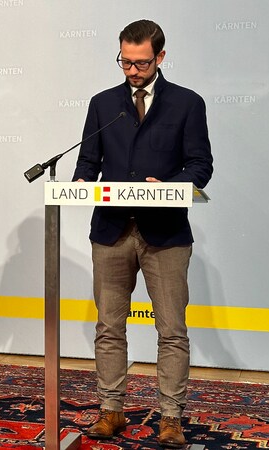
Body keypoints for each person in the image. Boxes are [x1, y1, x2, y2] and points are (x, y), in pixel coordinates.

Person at [73, 20, 213, 448]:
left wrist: (170, 186)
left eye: (141, 63)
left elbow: (200, 165)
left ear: (161, 58)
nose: (132, 71)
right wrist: (79, 184)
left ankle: (171, 418)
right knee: (108, 327)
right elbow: (88, 161)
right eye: (125, 62)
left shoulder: (187, 103)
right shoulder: (103, 103)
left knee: (171, 330)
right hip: (111, 231)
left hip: (165, 234)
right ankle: (110, 410)